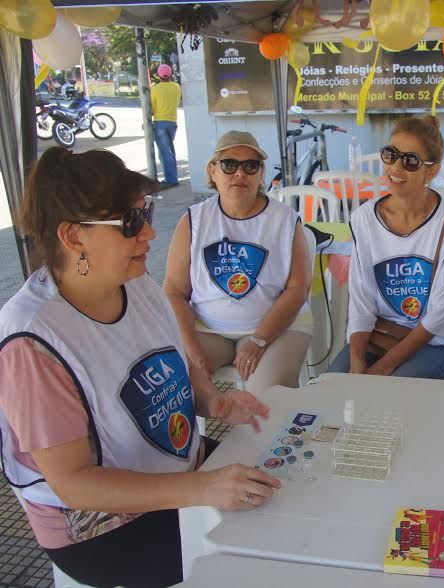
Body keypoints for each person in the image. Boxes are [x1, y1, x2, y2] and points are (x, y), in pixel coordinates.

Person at [0, 147, 282, 588]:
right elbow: (73, 484)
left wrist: (213, 400)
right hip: (103, 529)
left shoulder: (136, 282)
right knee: (261, 557)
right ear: (73, 237)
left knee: (287, 493)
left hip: (179, 471)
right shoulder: (33, 342)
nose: (149, 232)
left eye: (145, 213)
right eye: (130, 222)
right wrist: (203, 489)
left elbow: (176, 364)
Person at [164, 131, 313, 397]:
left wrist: (259, 340)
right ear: (212, 171)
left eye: (251, 165)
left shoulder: (285, 220)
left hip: (278, 329)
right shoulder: (193, 220)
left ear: (261, 173)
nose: (240, 174)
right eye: (229, 164)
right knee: (171, 383)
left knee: (267, 398)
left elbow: (298, 289)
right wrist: (191, 348)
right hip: (207, 330)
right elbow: (175, 290)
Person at [328, 115, 444, 379]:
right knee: (334, 385)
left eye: (410, 161)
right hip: (381, 334)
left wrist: (383, 367)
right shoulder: (364, 219)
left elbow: (439, 318)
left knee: (391, 391)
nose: (396, 167)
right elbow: (362, 303)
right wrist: (357, 362)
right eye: (390, 155)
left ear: (431, 171)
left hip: (439, 343)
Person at [150, 63, 181, 188]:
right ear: (170, 74)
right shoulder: (176, 87)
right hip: (172, 122)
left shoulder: (155, 89)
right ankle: (172, 176)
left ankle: (171, 179)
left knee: (165, 152)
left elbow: (151, 109)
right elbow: (177, 102)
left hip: (159, 123)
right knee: (169, 151)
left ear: (158, 75)